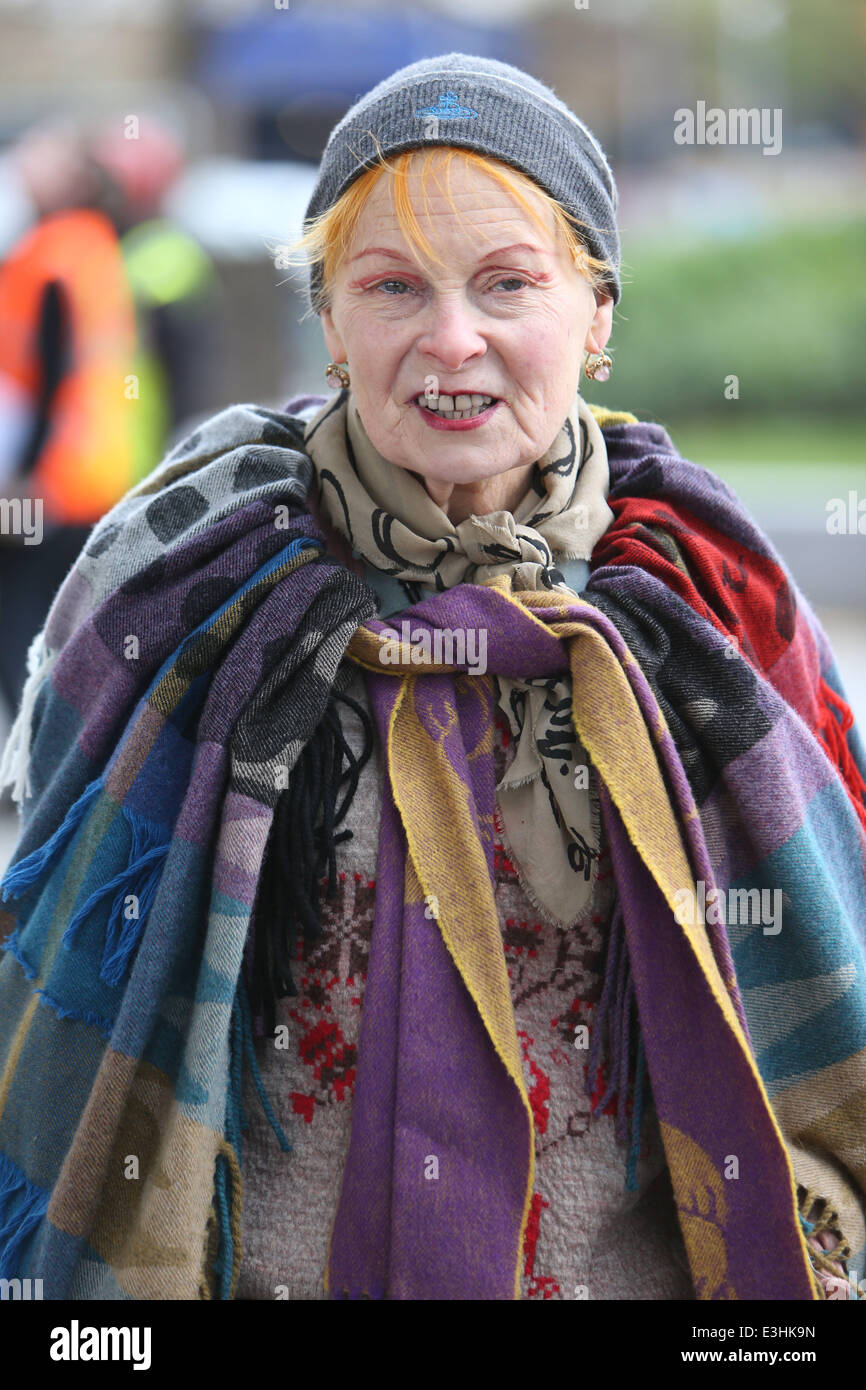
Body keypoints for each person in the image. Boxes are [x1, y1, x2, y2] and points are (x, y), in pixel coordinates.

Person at [0, 54, 865, 1303]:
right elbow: (60, 954)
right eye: (392, 285)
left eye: (507, 283)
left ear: (597, 315)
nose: (449, 337)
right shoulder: (181, 573)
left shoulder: (711, 594)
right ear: (332, 320)